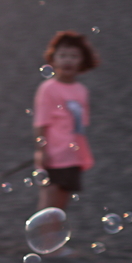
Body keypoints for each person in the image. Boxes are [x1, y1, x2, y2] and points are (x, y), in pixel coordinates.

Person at [32, 31, 99, 213]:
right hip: (53, 156)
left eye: (74, 56)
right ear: (53, 60)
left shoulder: (81, 91)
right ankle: (43, 240)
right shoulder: (48, 89)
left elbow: (80, 127)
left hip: (72, 156)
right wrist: (41, 150)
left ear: (83, 61)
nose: (67, 60)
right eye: (62, 56)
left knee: (62, 206)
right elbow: (41, 122)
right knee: (48, 204)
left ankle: (55, 241)